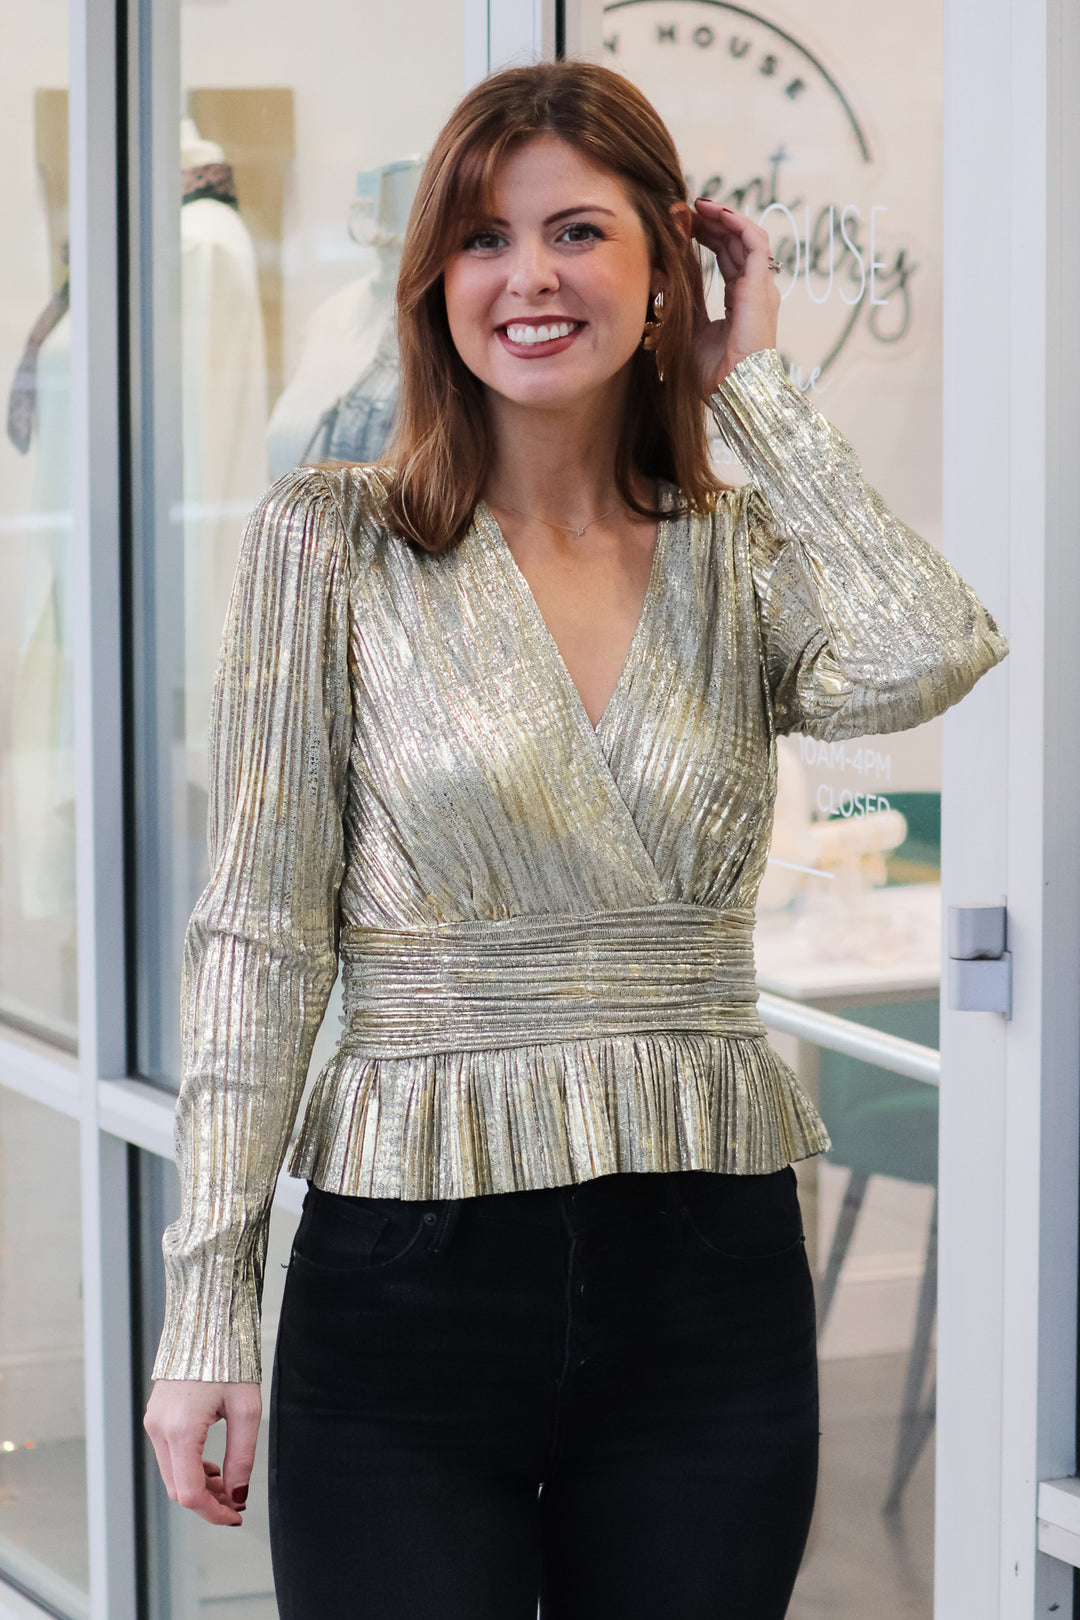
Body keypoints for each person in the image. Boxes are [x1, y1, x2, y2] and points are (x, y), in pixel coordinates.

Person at [143, 59, 1007, 1620]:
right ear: (434, 282)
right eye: (481, 238)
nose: (528, 278)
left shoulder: (739, 555)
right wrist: (206, 1310)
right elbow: (258, 938)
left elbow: (927, 652)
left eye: (578, 233)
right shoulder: (333, 540)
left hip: (708, 1277)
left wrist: (760, 392)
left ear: (665, 268)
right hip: (405, 1290)